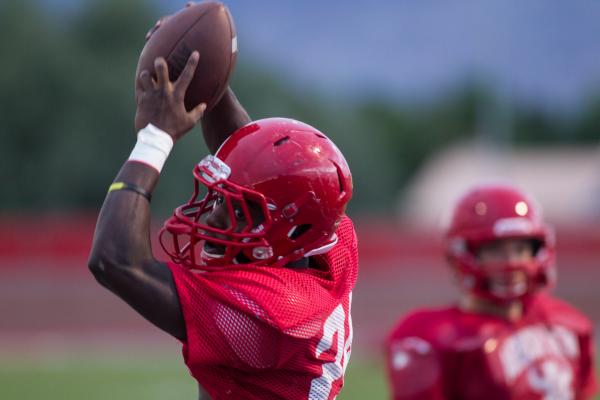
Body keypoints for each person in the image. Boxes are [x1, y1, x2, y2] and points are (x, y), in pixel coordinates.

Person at [88, 39, 357, 400]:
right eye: (224, 200)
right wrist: (202, 65)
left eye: (237, 210)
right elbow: (253, 158)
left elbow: (115, 262)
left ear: (288, 230)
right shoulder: (323, 239)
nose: (214, 216)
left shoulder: (274, 317)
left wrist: (156, 137)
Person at [386, 184, 596, 400]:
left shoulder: (567, 324)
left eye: (521, 248)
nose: (512, 261)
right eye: (495, 250)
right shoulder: (433, 337)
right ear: (462, 253)